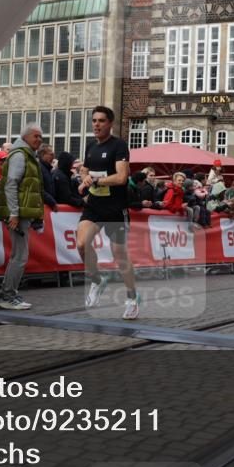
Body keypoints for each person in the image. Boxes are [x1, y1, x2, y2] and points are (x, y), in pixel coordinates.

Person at [77, 106, 139, 319]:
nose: (96, 124)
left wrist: (96, 180)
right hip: (94, 205)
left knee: (119, 255)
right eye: (94, 120)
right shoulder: (91, 146)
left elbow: (121, 178)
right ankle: (96, 280)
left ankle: (132, 297)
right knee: (81, 244)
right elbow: (85, 169)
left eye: (101, 121)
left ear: (110, 123)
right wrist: (83, 177)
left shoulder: (119, 145)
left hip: (115, 208)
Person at [0, 123, 45, 310]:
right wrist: (14, 213)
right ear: (25, 137)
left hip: (21, 213)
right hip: (18, 213)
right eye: (36, 136)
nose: (39, 139)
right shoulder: (20, 155)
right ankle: (6, 295)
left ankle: (8, 293)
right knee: (20, 256)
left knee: (19, 255)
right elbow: (11, 184)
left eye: (41, 136)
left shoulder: (26, 155)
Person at [37, 144, 58, 210]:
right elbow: (39, 189)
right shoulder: (38, 168)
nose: (54, 157)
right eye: (51, 154)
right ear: (43, 154)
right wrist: (52, 202)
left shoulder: (47, 169)